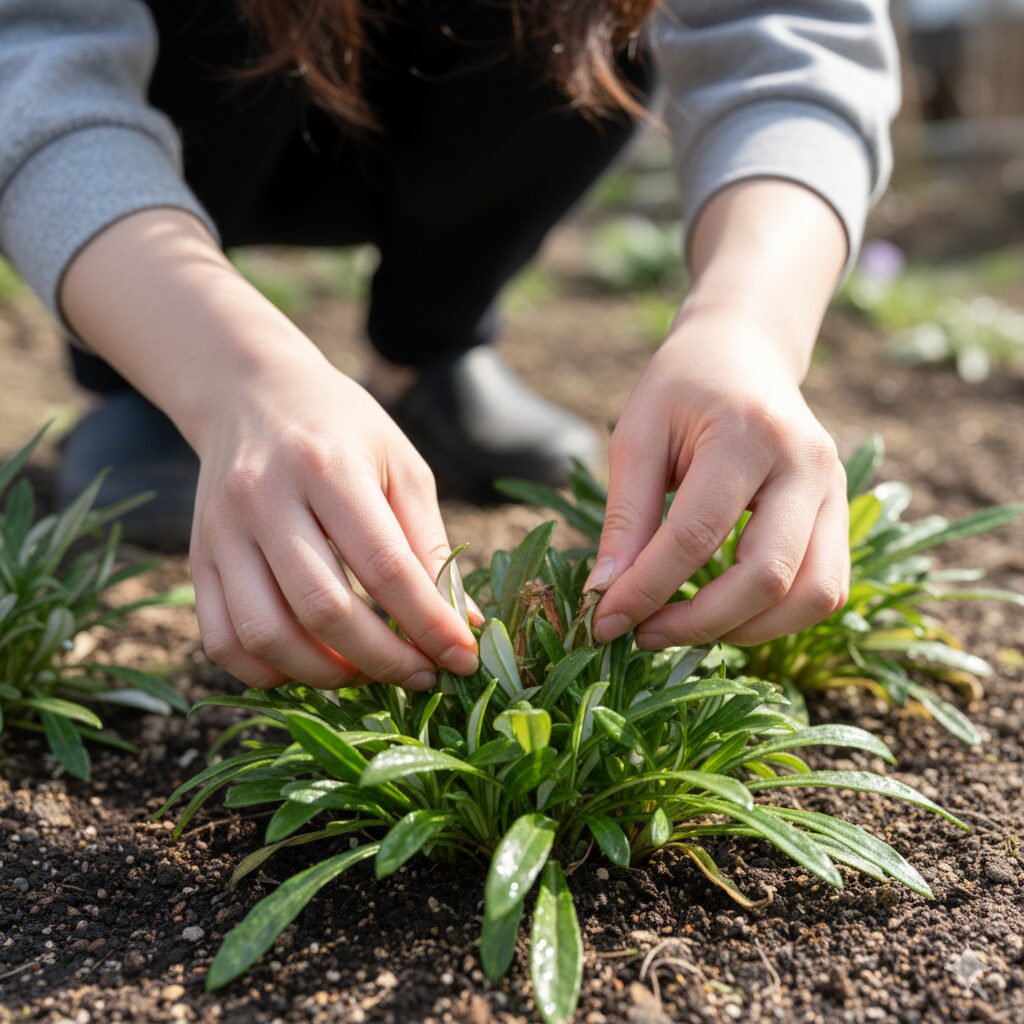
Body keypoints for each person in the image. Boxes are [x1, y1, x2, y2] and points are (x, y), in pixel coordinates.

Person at [0, 1, 900, 692]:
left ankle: (429, 347)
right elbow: (30, 57)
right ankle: (147, 381)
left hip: (458, 96)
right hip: (187, 107)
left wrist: (746, 328)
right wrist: (234, 380)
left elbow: (785, 28)